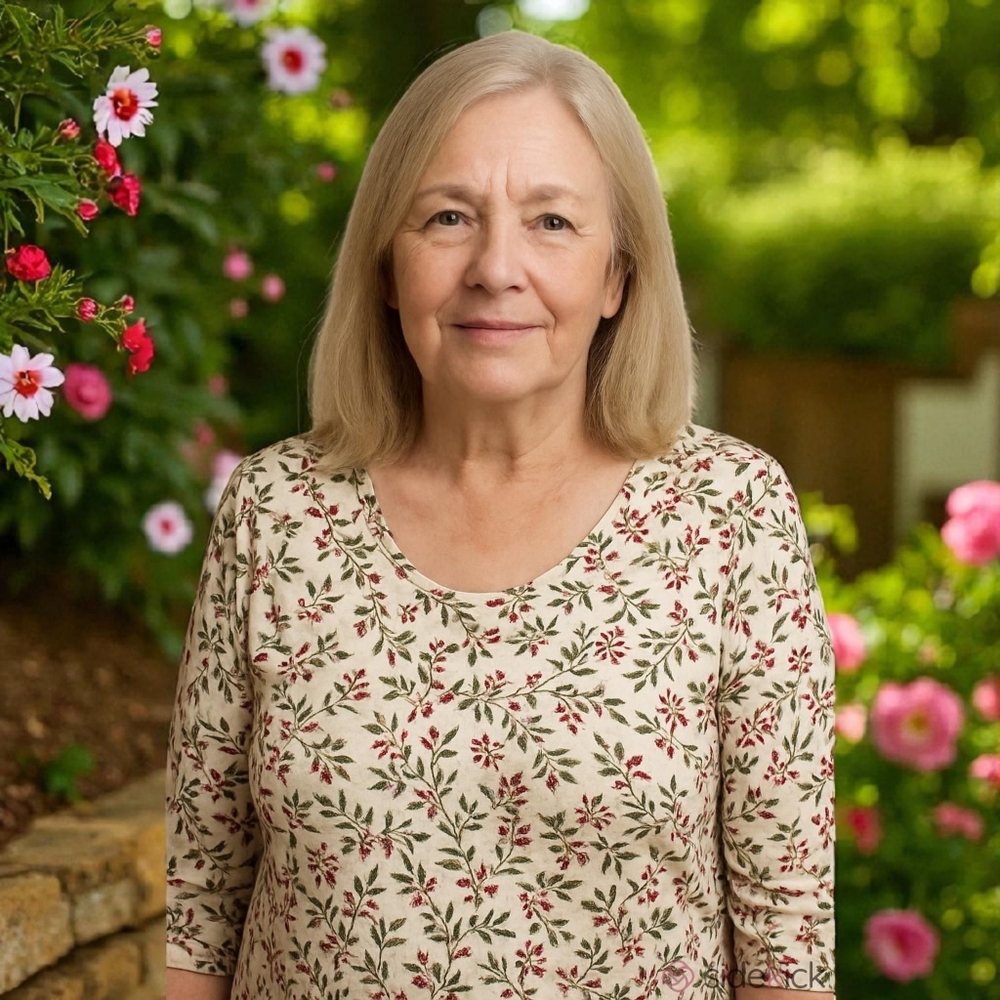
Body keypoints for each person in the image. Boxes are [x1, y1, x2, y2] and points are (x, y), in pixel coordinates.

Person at [165, 29, 836, 1000]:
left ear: (617, 277)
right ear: (386, 266)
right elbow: (199, 906)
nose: (494, 267)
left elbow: (787, 942)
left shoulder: (730, 516)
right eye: (447, 216)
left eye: (552, 222)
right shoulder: (278, 513)